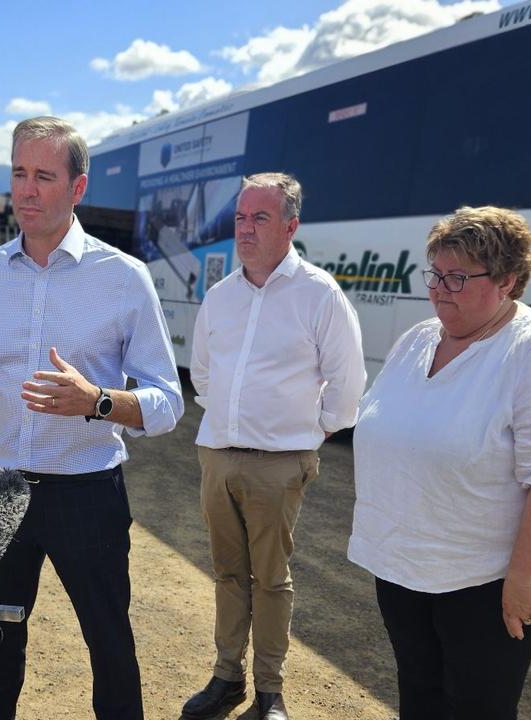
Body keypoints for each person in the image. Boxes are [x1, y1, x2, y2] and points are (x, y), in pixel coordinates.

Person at [0, 116, 183, 720]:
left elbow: (168, 401)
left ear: (78, 187)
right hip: (0, 490)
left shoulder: (123, 277)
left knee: (109, 644)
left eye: (44, 175)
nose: (27, 190)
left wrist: (96, 400)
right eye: (19, 173)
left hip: (87, 492)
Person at [347, 206, 531, 719]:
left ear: (508, 280)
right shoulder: (418, 339)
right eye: (435, 274)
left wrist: (524, 578)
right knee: (419, 691)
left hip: (491, 579)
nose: (439, 288)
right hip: (408, 563)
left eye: (458, 277)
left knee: (476, 704)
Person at [183, 173, 365, 720]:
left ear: (291, 226)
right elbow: (204, 374)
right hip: (218, 454)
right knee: (228, 574)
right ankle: (226, 678)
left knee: (270, 579)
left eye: (260, 218)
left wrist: (315, 430)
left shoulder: (318, 293)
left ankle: (270, 690)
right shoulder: (220, 295)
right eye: (240, 217)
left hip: (279, 465)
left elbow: (348, 379)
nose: (246, 228)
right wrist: (232, 425)